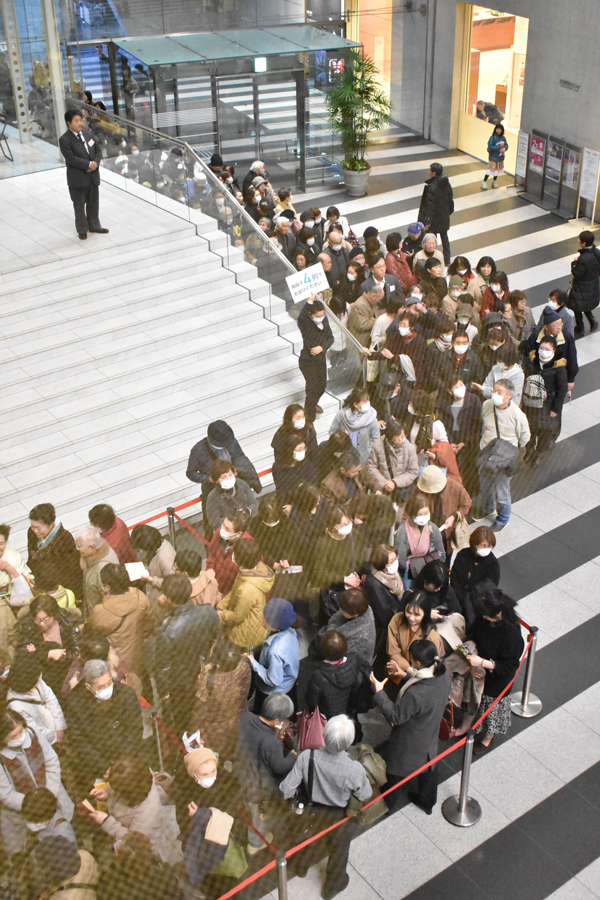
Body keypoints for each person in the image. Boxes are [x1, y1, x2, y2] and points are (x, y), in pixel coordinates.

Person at [280, 715, 371, 900]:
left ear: (324, 734)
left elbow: (285, 789)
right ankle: (332, 887)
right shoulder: (354, 769)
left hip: (312, 810)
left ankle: (300, 867)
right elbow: (365, 794)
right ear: (349, 741)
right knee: (339, 851)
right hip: (339, 815)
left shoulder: (307, 757)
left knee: (307, 839)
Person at [370, 639, 451, 814]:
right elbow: (422, 681)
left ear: (418, 663)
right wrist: (404, 674)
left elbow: (395, 716)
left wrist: (379, 692)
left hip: (409, 740)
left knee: (395, 773)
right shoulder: (443, 674)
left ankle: (386, 805)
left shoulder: (416, 695)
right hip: (430, 731)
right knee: (428, 768)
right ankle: (427, 802)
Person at [0, 710, 74, 856]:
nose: (20, 737)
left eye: (21, 730)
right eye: (13, 736)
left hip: (50, 797)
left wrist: (48, 795)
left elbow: (52, 761)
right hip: (22, 810)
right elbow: (6, 794)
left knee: (64, 832)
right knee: (33, 849)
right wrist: (35, 803)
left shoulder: (33, 734)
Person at [153, 573, 220, 732]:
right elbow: (217, 639)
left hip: (181, 683)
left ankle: (185, 745)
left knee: (182, 719)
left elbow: (162, 668)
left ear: (168, 598)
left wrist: (164, 694)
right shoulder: (208, 611)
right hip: (205, 671)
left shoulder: (168, 631)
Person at [64, 659, 143, 793]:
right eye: (100, 687)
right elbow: (78, 740)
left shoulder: (126, 694)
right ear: (88, 687)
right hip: (95, 765)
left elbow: (134, 731)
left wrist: (121, 765)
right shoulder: (76, 702)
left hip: (126, 761)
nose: (106, 689)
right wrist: (104, 766)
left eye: (109, 683)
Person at [462, 589, 524, 752]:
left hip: (497, 678)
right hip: (479, 668)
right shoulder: (485, 619)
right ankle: (469, 725)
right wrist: (473, 663)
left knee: (492, 708)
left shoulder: (511, 633)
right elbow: (471, 635)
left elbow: (510, 666)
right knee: (474, 700)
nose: (483, 617)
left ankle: (488, 737)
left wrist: (482, 663)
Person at [235, 693, 297, 853]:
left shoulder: (246, 717)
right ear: (276, 721)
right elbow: (280, 766)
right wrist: (293, 756)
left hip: (242, 773)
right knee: (258, 817)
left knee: (250, 810)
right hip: (256, 788)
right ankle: (255, 844)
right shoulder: (270, 742)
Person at [474, 378, 530, 533]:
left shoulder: (517, 415)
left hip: (504, 460)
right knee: (485, 486)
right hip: (486, 455)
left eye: (499, 392)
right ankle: (488, 509)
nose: (495, 394)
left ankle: (503, 518)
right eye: (494, 390)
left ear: (509, 396)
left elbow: (525, 437)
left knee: (502, 491)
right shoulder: (487, 405)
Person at [85, 757, 166, 857]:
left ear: (129, 793)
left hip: (141, 851)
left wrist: (106, 821)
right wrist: (107, 792)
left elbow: (133, 839)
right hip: (120, 830)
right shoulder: (137, 775)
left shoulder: (148, 811)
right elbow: (123, 783)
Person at [85, 564, 154, 680]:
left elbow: (90, 633)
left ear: (107, 587)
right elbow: (149, 624)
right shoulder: (141, 598)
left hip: (115, 664)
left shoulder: (100, 612)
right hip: (136, 657)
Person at [189, 638, 252, 758]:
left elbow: (198, 712)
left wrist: (192, 733)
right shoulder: (244, 666)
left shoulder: (208, 681)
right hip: (238, 720)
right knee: (231, 751)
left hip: (215, 731)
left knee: (215, 755)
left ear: (218, 664)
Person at [186, 420, 262, 516]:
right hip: (212, 489)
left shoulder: (231, 441)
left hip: (234, 486)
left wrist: (235, 471)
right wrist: (209, 478)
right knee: (212, 519)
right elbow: (190, 473)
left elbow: (240, 457)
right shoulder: (198, 449)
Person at [16, 594, 80, 697]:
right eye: (38, 619)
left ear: (54, 615)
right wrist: (47, 654)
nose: (41, 624)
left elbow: (77, 651)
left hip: (65, 670)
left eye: (46, 619)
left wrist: (61, 656)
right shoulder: (28, 626)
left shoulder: (68, 624)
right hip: (40, 673)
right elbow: (22, 653)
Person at [58, 109, 109, 240]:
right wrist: (88, 164)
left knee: (93, 202)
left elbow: (97, 150)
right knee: (79, 205)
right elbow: (71, 158)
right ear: (69, 123)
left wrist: (95, 163)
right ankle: (82, 229)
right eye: (76, 121)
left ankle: (94, 225)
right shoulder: (65, 140)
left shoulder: (88, 134)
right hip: (78, 178)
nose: (80, 123)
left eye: (81, 120)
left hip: (92, 176)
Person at [217, 539, 275, 649]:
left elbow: (237, 617)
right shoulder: (251, 570)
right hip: (251, 617)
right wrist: (221, 605)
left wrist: (221, 614)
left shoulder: (247, 589)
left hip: (246, 636)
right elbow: (235, 591)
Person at [522, 335, 569, 466]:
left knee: (545, 430)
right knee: (530, 428)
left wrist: (556, 409)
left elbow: (562, 389)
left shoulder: (558, 367)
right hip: (530, 402)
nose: (544, 351)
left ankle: (539, 453)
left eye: (547, 349)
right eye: (542, 348)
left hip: (547, 404)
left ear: (553, 351)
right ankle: (529, 449)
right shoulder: (531, 361)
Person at [247, 597, 299, 710]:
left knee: (262, 713)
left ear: (275, 626)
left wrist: (253, 663)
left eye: (265, 618)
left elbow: (273, 680)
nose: (261, 618)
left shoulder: (275, 651)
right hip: (289, 684)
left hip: (272, 693)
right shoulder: (290, 631)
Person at [436, 373, 483, 496]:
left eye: (461, 385)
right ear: (449, 391)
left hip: (469, 443)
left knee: (470, 469)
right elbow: (443, 425)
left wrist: (464, 442)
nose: (460, 388)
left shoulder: (473, 400)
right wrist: (450, 441)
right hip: (451, 442)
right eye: (456, 387)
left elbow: (477, 425)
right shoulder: (443, 403)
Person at [6, 653, 66, 746]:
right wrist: (55, 739)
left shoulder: (35, 679)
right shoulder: (15, 706)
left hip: (58, 731)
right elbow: (34, 730)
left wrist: (60, 726)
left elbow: (51, 700)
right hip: (46, 743)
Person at [27, 503, 83, 600]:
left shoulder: (65, 538)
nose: (35, 531)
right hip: (39, 582)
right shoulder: (31, 532)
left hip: (58, 588)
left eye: (39, 528)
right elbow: (31, 556)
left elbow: (72, 569)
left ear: (51, 524)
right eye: (33, 526)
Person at [304, 631, 362, 720]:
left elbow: (312, 701)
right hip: (347, 712)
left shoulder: (318, 676)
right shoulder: (354, 661)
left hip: (326, 716)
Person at [450, 526, 500, 626]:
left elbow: (490, 587)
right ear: (475, 544)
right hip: (457, 599)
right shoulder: (463, 555)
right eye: (483, 545)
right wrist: (459, 597)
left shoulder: (493, 564)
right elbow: (454, 576)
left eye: (489, 546)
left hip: (476, 606)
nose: (486, 549)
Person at [521, 308, 579, 393]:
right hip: (537, 376)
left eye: (560, 324)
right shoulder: (536, 336)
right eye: (555, 325)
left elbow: (572, 359)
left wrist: (571, 379)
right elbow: (527, 354)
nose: (559, 327)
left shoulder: (567, 337)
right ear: (546, 326)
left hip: (557, 377)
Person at [394, 491, 446, 583]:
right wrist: (416, 565)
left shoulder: (433, 529)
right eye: (419, 514)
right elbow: (401, 562)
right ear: (411, 514)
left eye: (426, 513)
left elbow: (442, 554)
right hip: (410, 576)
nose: (423, 517)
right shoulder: (403, 531)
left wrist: (424, 563)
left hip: (432, 573)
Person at [318, 587, 376, 667]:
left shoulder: (361, 637)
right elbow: (336, 618)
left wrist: (330, 635)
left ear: (355, 614)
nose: (340, 610)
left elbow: (339, 655)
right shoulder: (360, 608)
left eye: (343, 609)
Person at [298, 299, 334, 421]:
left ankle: (312, 404)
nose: (320, 318)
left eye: (322, 315)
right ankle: (309, 418)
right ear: (311, 314)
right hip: (307, 360)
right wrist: (309, 301)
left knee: (322, 385)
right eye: (317, 316)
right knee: (312, 389)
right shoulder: (305, 323)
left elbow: (330, 338)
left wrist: (322, 348)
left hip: (320, 359)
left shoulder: (324, 320)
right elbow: (301, 316)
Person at [361, 544, 404, 646]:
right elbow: (384, 614)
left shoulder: (392, 573)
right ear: (381, 564)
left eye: (395, 559)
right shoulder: (373, 583)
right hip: (388, 628)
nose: (395, 563)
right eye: (391, 561)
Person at [367, 419, 419, 503]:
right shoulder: (378, 446)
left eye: (403, 435)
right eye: (397, 436)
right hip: (384, 490)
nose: (401, 439)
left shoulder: (409, 448)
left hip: (402, 490)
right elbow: (371, 466)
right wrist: (384, 482)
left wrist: (395, 482)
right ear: (390, 436)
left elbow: (413, 471)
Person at [128, 524, 176, 615]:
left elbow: (173, 583)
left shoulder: (165, 559)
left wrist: (152, 580)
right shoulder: (160, 543)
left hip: (160, 599)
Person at [75, 526, 119, 617]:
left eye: (79, 547)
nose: (77, 549)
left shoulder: (104, 569)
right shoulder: (90, 554)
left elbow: (111, 603)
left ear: (92, 548)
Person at [204, 460, 259, 533]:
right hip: (229, 532)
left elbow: (254, 504)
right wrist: (233, 518)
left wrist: (247, 512)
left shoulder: (242, 484)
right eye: (223, 478)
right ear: (216, 480)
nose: (228, 479)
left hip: (248, 527)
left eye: (230, 475)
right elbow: (214, 522)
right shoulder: (212, 497)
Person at [206, 511, 253, 597]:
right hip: (214, 586)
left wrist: (223, 598)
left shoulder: (248, 550)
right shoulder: (218, 533)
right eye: (223, 525)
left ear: (238, 534)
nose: (222, 530)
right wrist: (209, 575)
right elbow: (211, 555)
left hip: (231, 596)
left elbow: (245, 583)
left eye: (227, 529)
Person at [328, 388, 380, 464]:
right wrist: (341, 434)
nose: (367, 403)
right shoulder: (342, 415)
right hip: (344, 456)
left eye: (368, 400)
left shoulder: (371, 417)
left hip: (363, 458)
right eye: (364, 401)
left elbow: (376, 439)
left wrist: (367, 453)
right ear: (355, 404)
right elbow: (332, 431)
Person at [417, 163, 454, 266]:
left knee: (432, 239)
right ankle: (447, 260)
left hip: (434, 219)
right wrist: (448, 212)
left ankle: (432, 259)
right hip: (444, 217)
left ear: (434, 173)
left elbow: (429, 206)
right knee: (445, 238)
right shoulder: (447, 184)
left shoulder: (432, 188)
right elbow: (450, 200)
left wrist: (427, 221)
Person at [568, 229, 600, 335]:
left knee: (576, 305)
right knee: (584, 304)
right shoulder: (596, 252)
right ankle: (592, 321)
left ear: (584, 243)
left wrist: (574, 263)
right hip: (593, 284)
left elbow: (577, 273)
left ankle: (580, 327)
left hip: (581, 286)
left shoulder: (583, 259)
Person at [475, 340, 525, 407]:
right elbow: (485, 386)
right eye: (498, 360)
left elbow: (514, 398)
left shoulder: (518, 375)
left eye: (501, 361)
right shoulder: (495, 368)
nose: (499, 363)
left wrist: (486, 389)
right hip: (489, 406)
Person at [272, 434, 317, 505]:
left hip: (306, 500)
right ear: (290, 450)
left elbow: (313, 481)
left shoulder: (306, 463)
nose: (302, 451)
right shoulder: (278, 467)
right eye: (299, 449)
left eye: (304, 448)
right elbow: (282, 489)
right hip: (287, 502)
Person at [0, 523, 33, 612]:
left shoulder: (14, 556)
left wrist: (8, 568)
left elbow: (28, 581)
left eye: (1, 544)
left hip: (15, 604)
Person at [482, 124, 508, 189]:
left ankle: (494, 181)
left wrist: (505, 148)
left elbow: (506, 145)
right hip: (493, 157)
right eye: (497, 129)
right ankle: (484, 182)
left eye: (500, 129)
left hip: (500, 158)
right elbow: (490, 147)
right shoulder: (492, 137)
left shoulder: (503, 138)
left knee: (497, 171)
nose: (498, 131)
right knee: (490, 170)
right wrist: (499, 147)